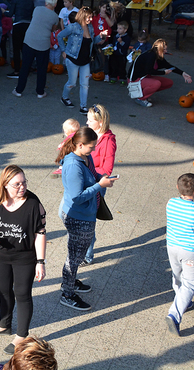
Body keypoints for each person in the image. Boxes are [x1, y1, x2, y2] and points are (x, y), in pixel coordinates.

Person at [0, 165, 47, 355]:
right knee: (3, 289)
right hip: (0, 256)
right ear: (5, 184)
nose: (22, 187)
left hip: (25, 258)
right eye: (17, 184)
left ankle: (21, 336)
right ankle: (4, 324)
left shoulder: (33, 204)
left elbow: (40, 233)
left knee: (22, 294)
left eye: (24, 183)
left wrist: (40, 262)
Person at [57, 127, 116, 311]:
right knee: (74, 257)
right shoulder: (73, 166)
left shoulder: (85, 157)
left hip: (85, 215)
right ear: (80, 145)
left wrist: (101, 178)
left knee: (77, 254)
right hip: (78, 217)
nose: (94, 149)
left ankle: (70, 282)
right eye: (91, 146)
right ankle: (67, 294)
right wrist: (99, 185)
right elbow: (77, 197)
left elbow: (91, 174)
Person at [164, 173, 194, 336]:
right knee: (190, 282)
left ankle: (184, 301)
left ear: (177, 187)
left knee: (177, 275)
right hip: (190, 250)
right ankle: (174, 314)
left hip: (172, 246)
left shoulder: (171, 203)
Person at [81, 104, 117, 265]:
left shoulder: (109, 141)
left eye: (90, 120)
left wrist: (88, 173)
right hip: (84, 181)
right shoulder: (89, 134)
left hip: (94, 184)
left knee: (88, 221)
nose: (87, 122)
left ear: (100, 122)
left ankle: (87, 255)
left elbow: (107, 169)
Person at [57, 7, 107, 114]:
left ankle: (83, 106)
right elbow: (59, 36)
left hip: (85, 61)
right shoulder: (73, 27)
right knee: (72, 82)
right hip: (72, 59)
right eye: (89, 17)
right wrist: (63, 50)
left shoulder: (90, 27)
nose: (91, 19)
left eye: (91, 17)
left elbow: (93, 41)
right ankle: (64, 97)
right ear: (82, 16)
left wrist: (101, 36)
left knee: (85, 85)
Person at [12, 0, 60, 99]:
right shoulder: (55, 17)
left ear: (46, 2)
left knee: (25, 66)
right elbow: (53, 29)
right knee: (42, 68)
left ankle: (19, 90)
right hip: (43, 43)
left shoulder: (37, 9)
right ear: (55, 4)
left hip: (30, 40)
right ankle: (40, 92)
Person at [129, 39, 193, 108]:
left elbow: (169, 66)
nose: (166, 51)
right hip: (135, 79)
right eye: (164, 49)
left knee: (168, 82)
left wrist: (182, 73)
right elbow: (149, 71)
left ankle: (144, 94)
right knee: (156, 84)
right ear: (158, 49)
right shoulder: (150, 56)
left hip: (144, 77)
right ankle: (140, 98)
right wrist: (163, 72)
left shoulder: (157, 56)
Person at [6, 0, 34, 79]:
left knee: (16, 49)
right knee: (25, 48)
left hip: (18, 24)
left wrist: (3, 12)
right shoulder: (30, 0)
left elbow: (10, 13)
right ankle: (27, 68)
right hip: (28, 25)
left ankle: (17, 70)